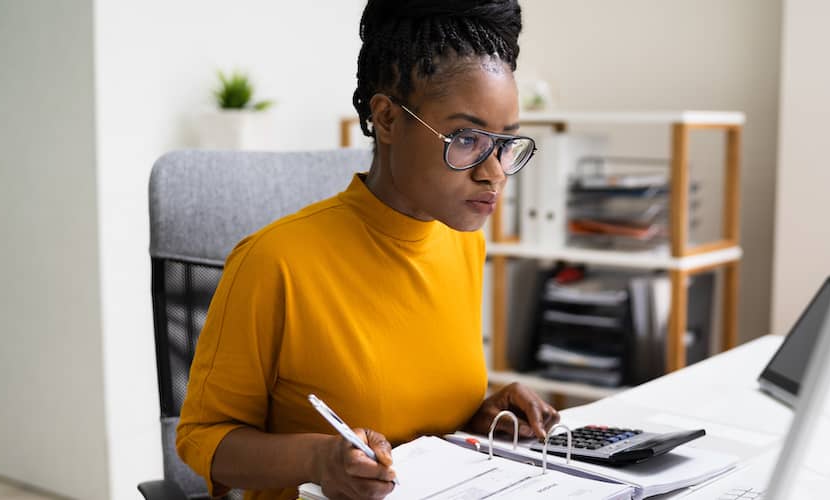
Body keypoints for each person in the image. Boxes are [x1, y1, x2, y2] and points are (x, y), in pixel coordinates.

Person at [176, 1, 559, 499]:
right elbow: (201, 440)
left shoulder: (463, 245)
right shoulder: (273, 261)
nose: (495, 172)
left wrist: (484, 414)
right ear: (387, 119)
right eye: (466, 138)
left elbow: (413, 414)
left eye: (505, 142)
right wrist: (318, 460)